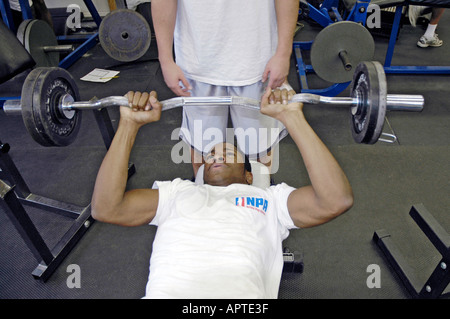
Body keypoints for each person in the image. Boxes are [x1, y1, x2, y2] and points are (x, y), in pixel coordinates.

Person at [90, 87, 354, 298]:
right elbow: (106, 208)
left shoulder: (270, 199)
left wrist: (293, 118)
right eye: (211, 155)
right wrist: (128, 125)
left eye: (229, 152)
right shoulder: (176, 193)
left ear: (249, 176)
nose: (217, 155)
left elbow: (335, 200)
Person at [151, 0, 299, 176]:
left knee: (259, 150)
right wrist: (165, 60)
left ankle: (260, 196)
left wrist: (283, 53)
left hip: (257, 60)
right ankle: (204, 196)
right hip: (198, 60)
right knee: (204, 152)